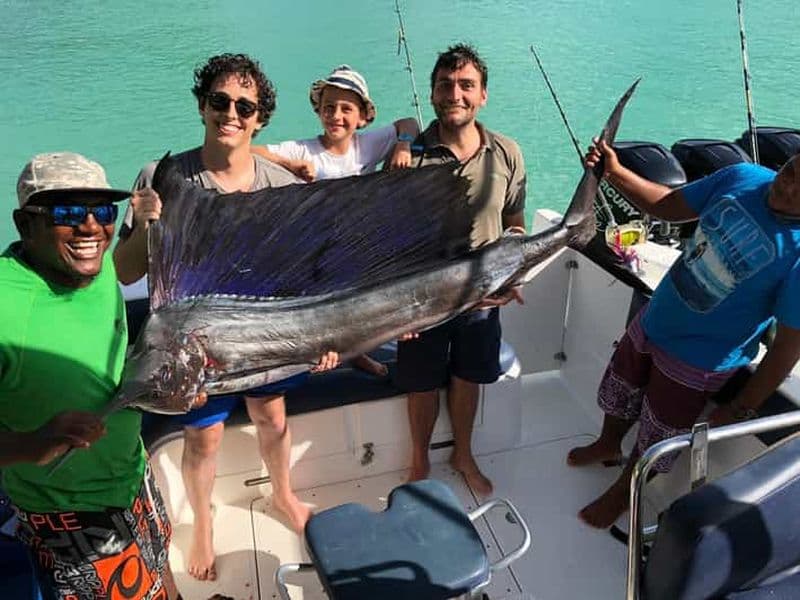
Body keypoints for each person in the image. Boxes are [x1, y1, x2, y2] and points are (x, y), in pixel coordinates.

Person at [113, 53, 338, 582]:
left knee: (272, 416)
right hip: (194, 344)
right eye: (220, 101)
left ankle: (283, 496)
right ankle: (205, 526)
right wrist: (145, 225)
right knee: (203, 439)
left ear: (259, 119)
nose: (230, 113)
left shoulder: (279, 185)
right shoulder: (161, 176)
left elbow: (312, 277)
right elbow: (125, 274)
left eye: (245, 106)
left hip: (266, 335)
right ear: (202, 106)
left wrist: (325, 340)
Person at [569, 142, 800, 529]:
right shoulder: (743, 176)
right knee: (621, 388)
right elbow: (668, 204)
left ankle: (625, 491)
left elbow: (788, 347)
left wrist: (742, 406)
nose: (787, 186)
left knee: (660, 434)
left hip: (701, 359)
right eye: (791, 170)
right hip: (657, 316)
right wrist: (614, 171)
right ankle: (607, 443)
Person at [0, 152, 180, 599]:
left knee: (160, 572)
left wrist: (143, 222)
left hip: (133, 475)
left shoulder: (95, 268)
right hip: (72, 516)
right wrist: (33, 445)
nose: (90, 227)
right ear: (25, 224)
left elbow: (119, 273)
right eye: (66, 212)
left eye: (102, 211)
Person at [395, 44, 527, 497]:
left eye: (466, 85)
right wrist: (398, 310)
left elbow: (515, 224)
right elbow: (386, 241)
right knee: (421, 383)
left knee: (469, 377)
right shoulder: (407, 158)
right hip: (422, 301)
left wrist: (513, 276)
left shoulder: (507, 153)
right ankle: (419, 458)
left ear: (483, 95)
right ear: (432, 95)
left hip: (483, 298)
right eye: (446, 85)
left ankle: (463, 452)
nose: (456, 93)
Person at [252, 64, 420, 377]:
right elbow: (252, 151)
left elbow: (409, 123)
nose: (336, 116)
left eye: (346, 109)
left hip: (359, 244)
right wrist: (289, 164)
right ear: (318, 111)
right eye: (328, 107)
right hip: (315, 248)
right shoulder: (304, 150)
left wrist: (403, 143)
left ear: (363, 116)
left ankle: (357, 352)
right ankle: (333, 352)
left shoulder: (368, 145)